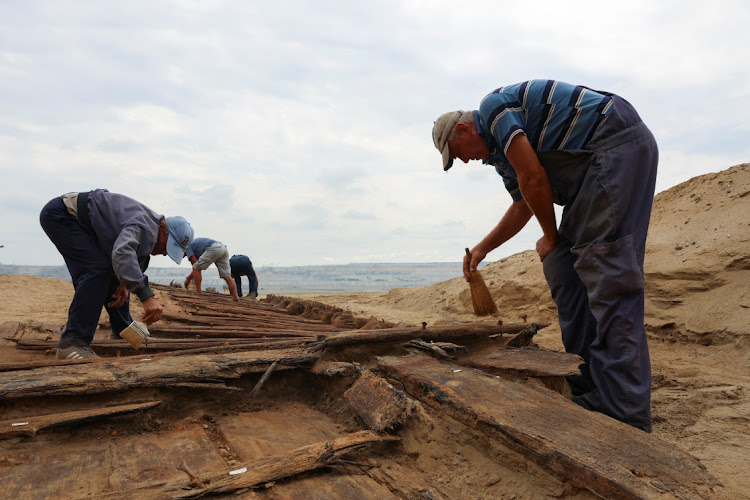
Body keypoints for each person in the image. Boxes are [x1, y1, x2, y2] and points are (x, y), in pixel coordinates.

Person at [433, 79, 658, 432]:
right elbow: (523, 203)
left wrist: (551, 236)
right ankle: (591, 387)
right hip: (588, 175)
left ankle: (625, 409)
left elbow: (534, 178)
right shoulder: (500, 157)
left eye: (457, 152)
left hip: (614, 148)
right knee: (562, 268)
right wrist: (482, 249)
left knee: (608, 274)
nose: (463, 161)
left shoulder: (494, 109)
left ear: (463, 128)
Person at [40, 189, 194, 360]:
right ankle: (72, 342)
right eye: (168, 245)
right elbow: (122, 254)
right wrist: (146, 296)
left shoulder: (150, 231)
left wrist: (123, 284)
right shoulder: (144, 226)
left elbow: (132, 260)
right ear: (163, 227)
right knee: (96, 271)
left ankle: (122, 331)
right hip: (64, 215)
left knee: (110, 274)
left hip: (83, 224)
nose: (166, 253)